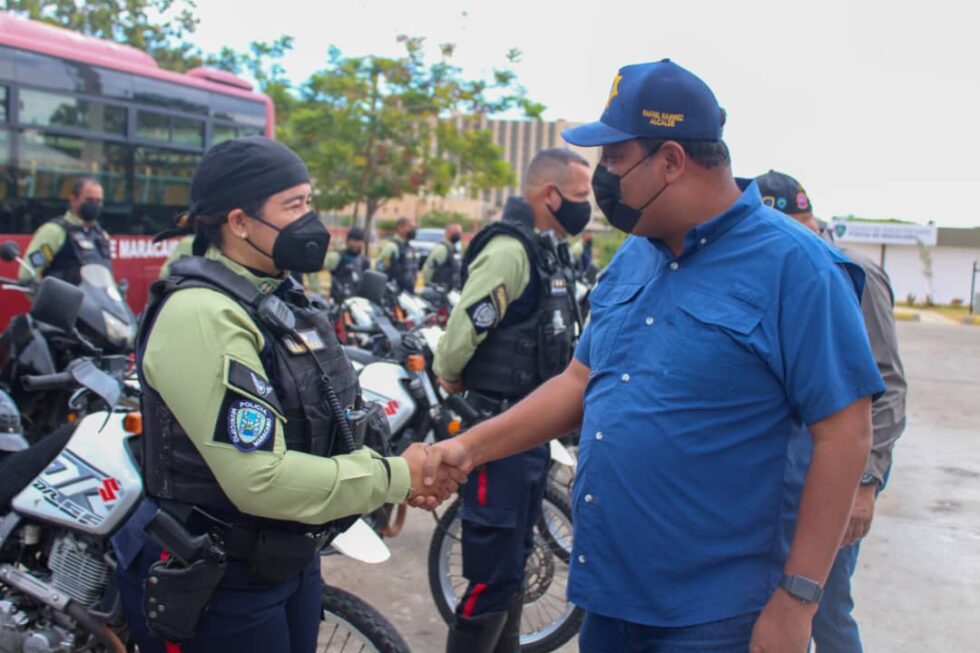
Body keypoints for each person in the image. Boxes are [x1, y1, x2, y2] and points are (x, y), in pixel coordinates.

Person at [419, 60, 885, 653]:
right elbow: (580, 381)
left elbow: (845, 433)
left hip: (717, 613)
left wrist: (797, 601)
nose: (603, 178)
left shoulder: (798, 268)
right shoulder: (635, 256)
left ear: (670, 160)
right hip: (611, 595)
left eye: (614, 159)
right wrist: (468, 448)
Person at [113, 136, 460, 653]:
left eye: (309, 203)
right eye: (293, 206)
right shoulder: (204, 315)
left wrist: (395, 471)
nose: (310, 221)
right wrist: (394, 476)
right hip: (220, 582)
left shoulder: (277, 298)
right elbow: (260, 477)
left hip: (287, 561)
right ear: (238, 222)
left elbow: (329, 418)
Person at [433, 147, 591, 652]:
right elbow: (462, 334)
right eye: (582, 197)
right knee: (490, 573)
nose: (589, 207)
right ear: (551, 195)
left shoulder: (548, 251)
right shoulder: (510, 251)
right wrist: (451, 375)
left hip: (529, 435)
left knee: (513, 565)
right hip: (496, 432)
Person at [756, 169, 907, 653]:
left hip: (836, 479)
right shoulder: (776, 268)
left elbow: (888, 384)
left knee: (827, 609)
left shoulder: (847, 271)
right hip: (782, 479)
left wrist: (867, 483)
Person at [20, 177, 111, 284]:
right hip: (62, 300)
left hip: (93, 301)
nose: (94, 205)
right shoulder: (54, 232)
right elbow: (28, 274)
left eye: (98, 201)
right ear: (73, 200)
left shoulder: (101, 236)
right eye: (89, 200)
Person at [324, 226, 369, 303]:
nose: (356, 244)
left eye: (359, 241)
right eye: (354, 240)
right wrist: (317, 290)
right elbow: (315, 267)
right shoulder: (337, 257)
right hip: (338, 303)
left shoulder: (365, 261)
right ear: (347, 241)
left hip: (358, 303)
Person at [375, 216, 420, 294]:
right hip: (394, 294)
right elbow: (380, 267)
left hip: (407, 294)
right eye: (410, 227)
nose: (413, 230)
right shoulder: (392, 247)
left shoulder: (409, 248)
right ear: (400, 228)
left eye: (414, 228)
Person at [422, 223, 463, 289]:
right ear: (448, 233)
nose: (459, 236)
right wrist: (428, 285)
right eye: (457, 233)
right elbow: (428, 269)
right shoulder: (441, 249)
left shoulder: (453, 249)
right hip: (439, 290)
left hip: (450, 290)